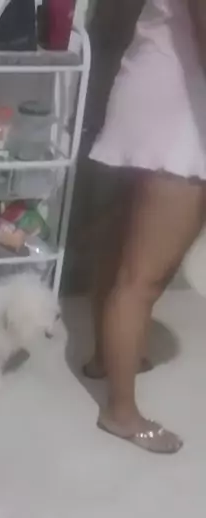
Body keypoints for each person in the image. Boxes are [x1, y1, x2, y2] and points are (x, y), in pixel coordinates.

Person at [85, 0, 206, 453]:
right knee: (142, 279)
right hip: (180, 111)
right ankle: (121, 413)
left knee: (123, 248)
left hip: (151, 89)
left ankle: (105, 357)